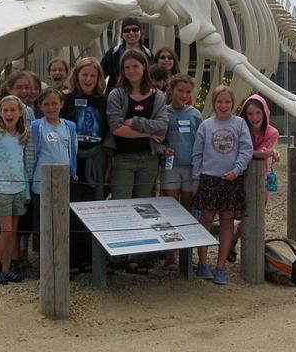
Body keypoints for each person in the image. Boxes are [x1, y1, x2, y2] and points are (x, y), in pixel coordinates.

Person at [191, 85, 253, 285]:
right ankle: (202, 262)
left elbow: (246, 150)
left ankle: (220, 266)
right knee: (206, 218)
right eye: (220, 101)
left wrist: (237, 170)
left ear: (233, 104)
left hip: (231, 179)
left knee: (227, 221)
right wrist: (197, 177)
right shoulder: (206, 125)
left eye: (227, 102)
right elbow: (198, 153)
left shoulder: (240, 124)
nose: (223, 105)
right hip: (209, 179)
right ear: (214, 103)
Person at [61, 57, 109, 271]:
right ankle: (72, 257)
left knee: (93, 206)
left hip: (95, 160)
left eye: (92, 75)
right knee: (71, 207)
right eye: (84, 75)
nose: (88, 79)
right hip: (73, 160)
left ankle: (91, 257)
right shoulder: (67, 100)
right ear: (77, 76)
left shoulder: (104, 100)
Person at [0, 71, 36, 268]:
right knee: (5, 230)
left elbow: (24, 160)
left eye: (27, 87)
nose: (9, 114)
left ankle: (8, 267)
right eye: (19, 87)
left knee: (13, 231)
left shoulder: (24, 129)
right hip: (1, 187)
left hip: (18, 187)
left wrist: (26, 188)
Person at [104, 49, 168, 200]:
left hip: (149, 158)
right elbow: (117, 128)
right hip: (123, 158)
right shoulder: (116, 95)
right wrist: (150, 133)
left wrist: (135, 122)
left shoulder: (157, 95)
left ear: (144, 67)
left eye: (135, 66)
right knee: (121, 203)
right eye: (127, 67)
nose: (131, 71)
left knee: (145, 205)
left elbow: (162, 126)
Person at [226, 93, 281, 262]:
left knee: (257, 209)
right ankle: (229, 240)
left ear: (264, 112)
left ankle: (235, 237)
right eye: (250, 114)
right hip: (238, 173)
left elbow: (258, 154)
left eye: (258, 113)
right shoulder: (239, 127)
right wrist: (262, 153)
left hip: (260, 175)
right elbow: (241, 152)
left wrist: (264, 153)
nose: (254, 117)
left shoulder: (272, 132)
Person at [30, 88, 78, 253]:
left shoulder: (69, 127)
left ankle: (60, 256)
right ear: (41, 106)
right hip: (40, 183)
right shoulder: (36, 126)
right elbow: (31, 154)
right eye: (46, 104)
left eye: (54, 103)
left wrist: (73, 171)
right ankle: (42, 259)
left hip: (62, 181)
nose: (51, 108)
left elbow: (73, 151)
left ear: (61, 104)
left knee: (60, 220)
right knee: (42, 221)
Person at [162, 75, 202, 212]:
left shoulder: (195, 114)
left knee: (188, 206)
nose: (184, 95)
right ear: (171, 90)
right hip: (170, 166)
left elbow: (201, 141)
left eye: (188, 92)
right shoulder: (163, 112)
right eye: (180, 90)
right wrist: (163, 149)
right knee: (170, 207)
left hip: (191, 167)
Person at [101, 17, 153, 94]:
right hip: (117, 96)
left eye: (135, 29)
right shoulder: (113, 54)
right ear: (122, 35)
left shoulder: (148, 54)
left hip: (141, 95)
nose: (131, 33)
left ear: (141, 32)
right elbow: (101, 75)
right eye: (127, 30)